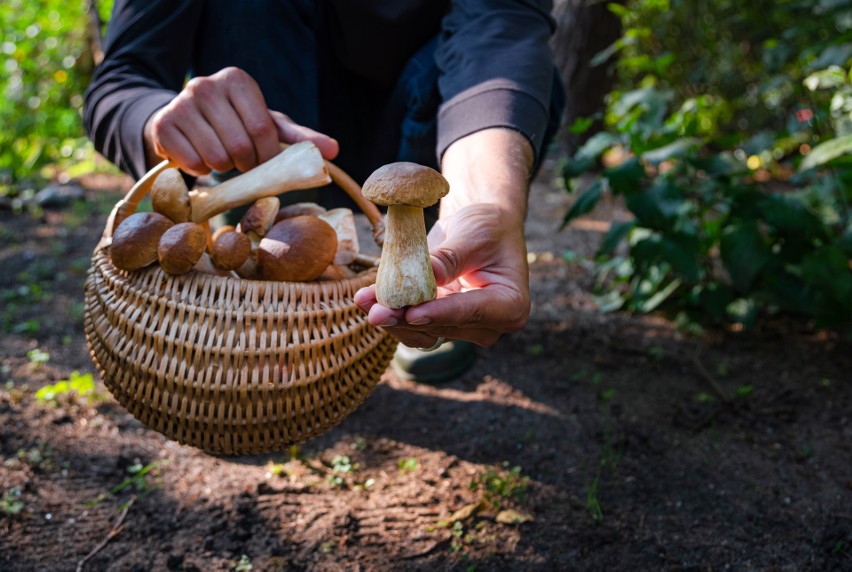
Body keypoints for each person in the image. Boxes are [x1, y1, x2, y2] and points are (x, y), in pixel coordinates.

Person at [84, 0, 565, 381]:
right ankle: (267, 303)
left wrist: (484, 201)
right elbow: (122, 80)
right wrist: (162, 122)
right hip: (265, 143)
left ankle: (434, 280)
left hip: (423, 124)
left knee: (534, 78)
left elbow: (500, 28)